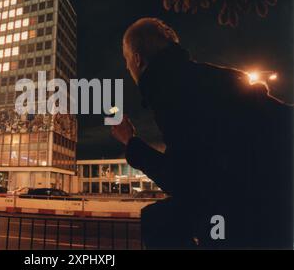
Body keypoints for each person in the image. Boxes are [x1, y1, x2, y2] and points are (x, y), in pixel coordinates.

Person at [111, 17, 293, 249]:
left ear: (137, 59)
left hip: (251, 211)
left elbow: (183, 179)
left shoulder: (169, 91)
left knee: (158, 220)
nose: (127, 67)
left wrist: (130, 141)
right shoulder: (210, 76)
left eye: (126, 60)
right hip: (273, 199)